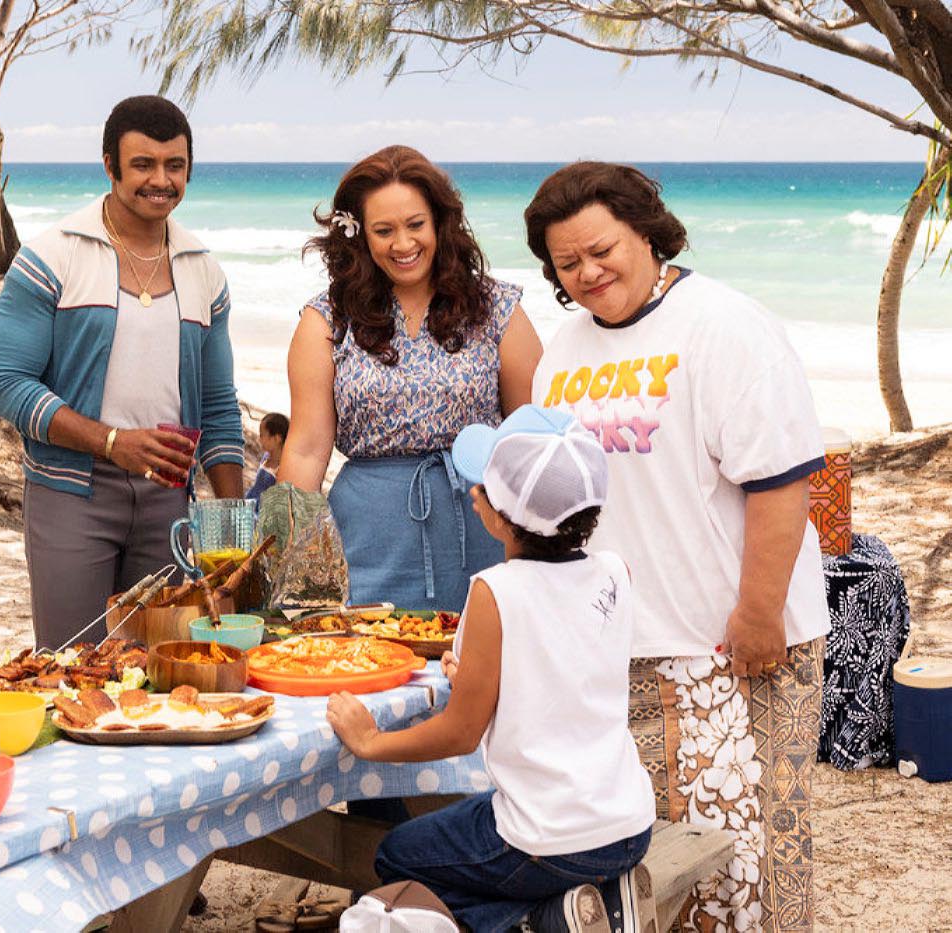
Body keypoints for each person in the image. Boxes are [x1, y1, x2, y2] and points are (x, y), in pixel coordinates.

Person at [524, 161, 829, 932]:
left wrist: (758, 611)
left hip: (733, 641)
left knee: (746, 857)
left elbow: (782, 481)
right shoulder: (563, 350)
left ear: (647, 233)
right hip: (621, 641)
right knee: (653, 862)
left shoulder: (723, 324)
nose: (589, 273)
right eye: (568, 264)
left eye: (603, 250)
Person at [327, 405, 657, 933]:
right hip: (627, 825)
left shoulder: (494, 590)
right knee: (472, 848)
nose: (473, 492)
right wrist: (479, 676)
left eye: (483, 486)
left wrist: (370, 742)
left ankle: (544, 915)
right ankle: (578, 903)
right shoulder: (616, 571)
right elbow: (567, 666)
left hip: (543, 836)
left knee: (396, 854)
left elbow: (461, 734)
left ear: (500, 517)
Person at [0, 96, 243, 649]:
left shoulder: (204, 271)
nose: (161, 180)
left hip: (168, 497)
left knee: (161, 667)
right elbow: (3, 382)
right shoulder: (53, 256)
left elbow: (219, 406)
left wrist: (233, 527)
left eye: (175, 166)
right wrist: (113, 442)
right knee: (72, 665)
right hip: (70, 493)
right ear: (110, 165)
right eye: (143, 164)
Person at [277, 145, 542, 611]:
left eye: (415, 225)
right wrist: (284, 564)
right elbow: (304, 449)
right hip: (366, 538)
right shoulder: (326, 320)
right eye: (384, 230)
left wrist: (547, 556)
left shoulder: (497, 309)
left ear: (440, 223)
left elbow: (533, 436)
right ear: (360, 235)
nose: (403, 244)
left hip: (484, 531)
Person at [247, 411, 288, 504]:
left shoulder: (281, 468)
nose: (259, 439)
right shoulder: (266, 457)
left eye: (262, 435)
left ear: (277, 438)